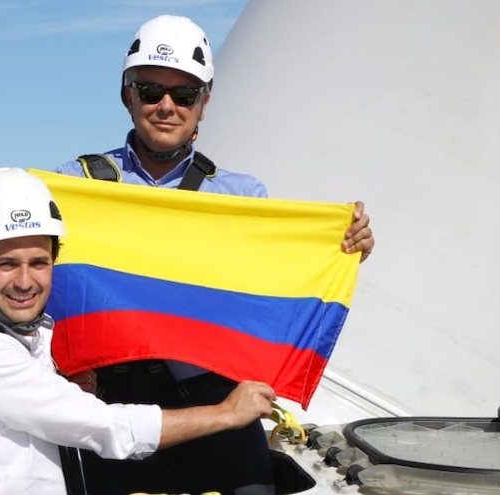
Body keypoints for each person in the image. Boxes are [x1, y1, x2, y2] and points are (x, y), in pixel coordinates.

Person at [51, 15, 376, 495]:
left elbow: (274, 286)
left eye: (183, 96)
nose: (166, 106)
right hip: (108, 399)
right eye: (150, 91)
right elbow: (35, 278)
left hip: (211, 395)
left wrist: (340, 249)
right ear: (128, 96)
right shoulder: (73, 186)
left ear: (203, 105)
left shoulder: (241, 196)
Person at [0, 167, 277, 495]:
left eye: (39, 263)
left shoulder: (29, 338)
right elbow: (107, 428)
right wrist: (226, 413)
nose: (24, 282)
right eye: (6, 264)